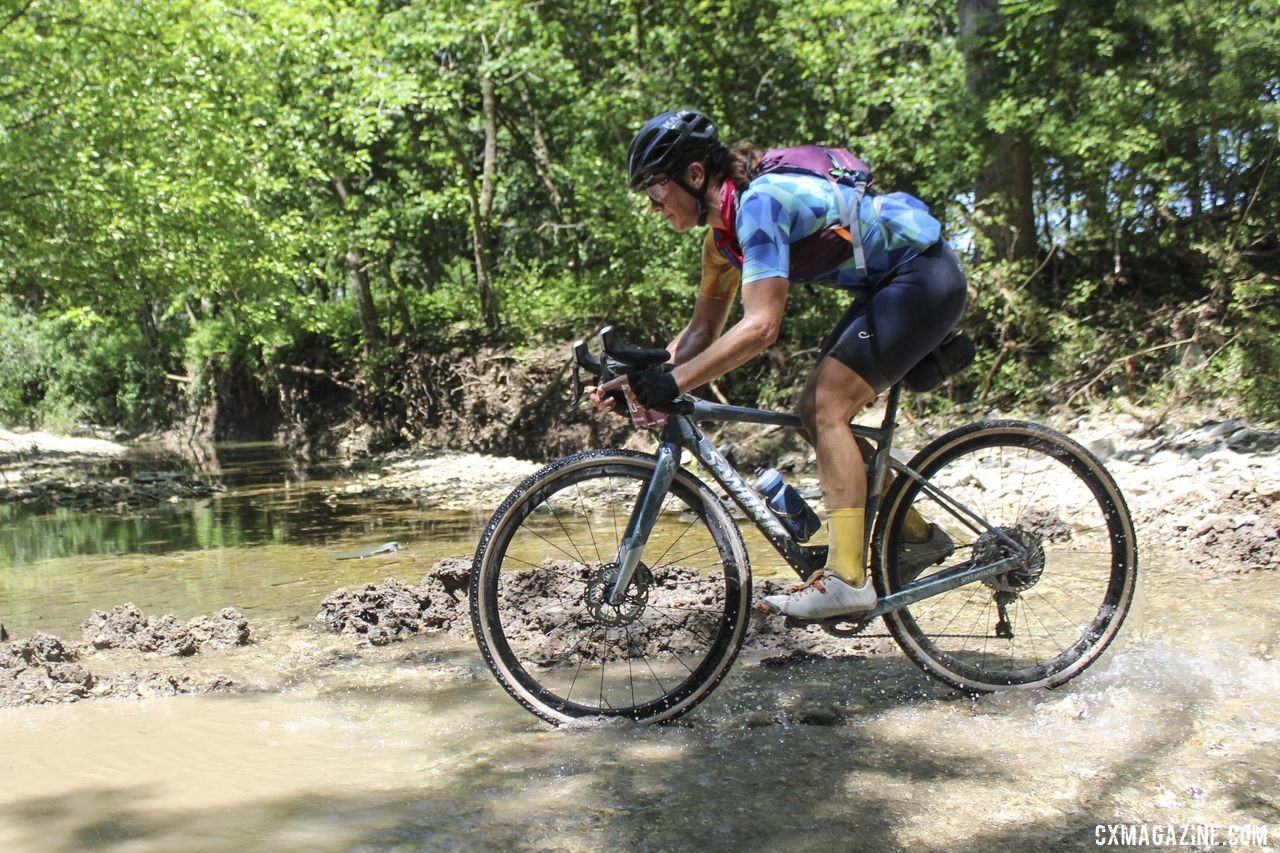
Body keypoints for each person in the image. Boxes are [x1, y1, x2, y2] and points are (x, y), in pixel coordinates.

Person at [593, 108, 966, 620]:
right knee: (815, 412)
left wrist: (673, 382)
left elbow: (761, 327)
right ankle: (916, 536)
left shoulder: (758, 208)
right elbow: (701, 333)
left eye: (655, 188)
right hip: (890, 286)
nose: (652, 205)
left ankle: (848, 581)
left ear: (695, 175)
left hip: (923, 276)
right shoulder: (721, 243)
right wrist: (638, 381)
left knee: (823, 406)